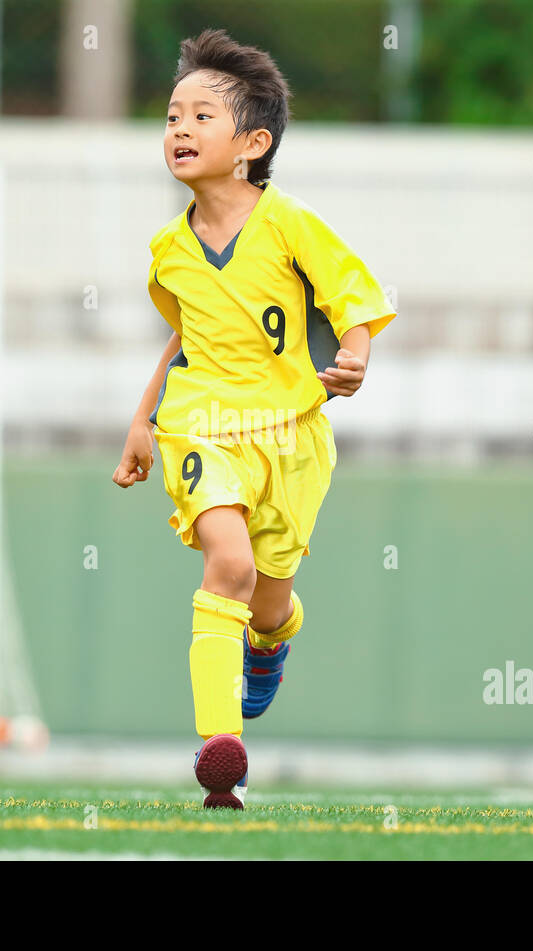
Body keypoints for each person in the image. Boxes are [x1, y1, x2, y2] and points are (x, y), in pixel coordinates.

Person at [112, 29, 395, 809]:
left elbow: (353, 296)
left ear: (252, 143)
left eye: (201, 116)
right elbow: (186, 341)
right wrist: (143, 422)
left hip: (292, 440)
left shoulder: (290, 222)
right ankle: (219, 753)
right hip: (201, 430)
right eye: (172, 116)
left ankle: (272, 642)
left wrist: (358, 352)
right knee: (227, 566)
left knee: (267, 603)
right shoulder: (167, 251)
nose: (178, 129)